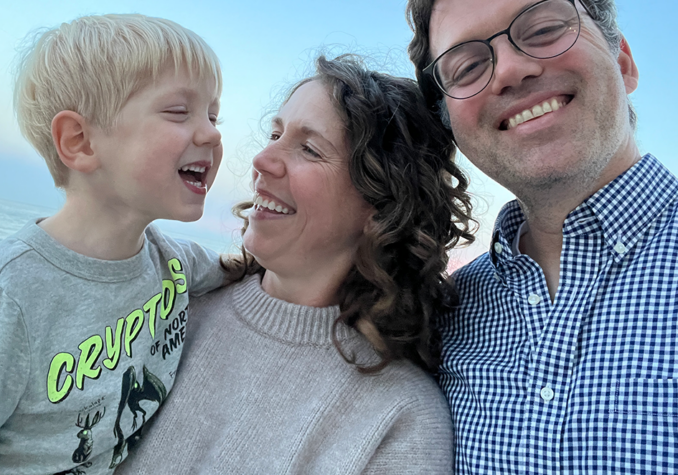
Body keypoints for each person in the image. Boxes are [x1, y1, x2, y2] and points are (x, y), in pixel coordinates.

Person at [406, 0, 678, 474]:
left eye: (544, 29)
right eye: (466, 66)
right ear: (450, 121)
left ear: (623, 61)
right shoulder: (444, 314)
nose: (508, 70)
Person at [117, 55, 474, 475]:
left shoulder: (401, 418)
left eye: (308, 148)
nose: (262, 160)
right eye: (274, 133)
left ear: (382, 206)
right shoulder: (170, 301)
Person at [0, 15, 227, 474]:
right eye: (179, 112)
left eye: (214, 116)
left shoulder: (173, 263)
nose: (214, 133)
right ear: (79, 142)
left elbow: (245, 265)